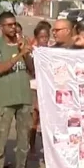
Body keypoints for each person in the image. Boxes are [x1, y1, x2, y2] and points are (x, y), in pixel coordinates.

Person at [0, 12, 35, 168]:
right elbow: (0, 68)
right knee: (0, 139)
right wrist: (19, 53)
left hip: (24, 97)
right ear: (1, 27)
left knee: (23, 138)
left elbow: (31, 69)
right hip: (5, 99)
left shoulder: (23, 43)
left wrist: (26, 53)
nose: (13, 27)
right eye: (9, 25)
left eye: (14, 24)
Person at [29, 22, 51, 160]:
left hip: (47, 88)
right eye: (41, 37)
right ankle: (31, 146)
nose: (44, 40)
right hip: (34, 87)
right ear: (36, 37)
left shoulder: (51, 51)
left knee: (47, 120)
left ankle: (47, 148)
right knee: (34, 119)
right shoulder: (32, 51)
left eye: (46, 37)